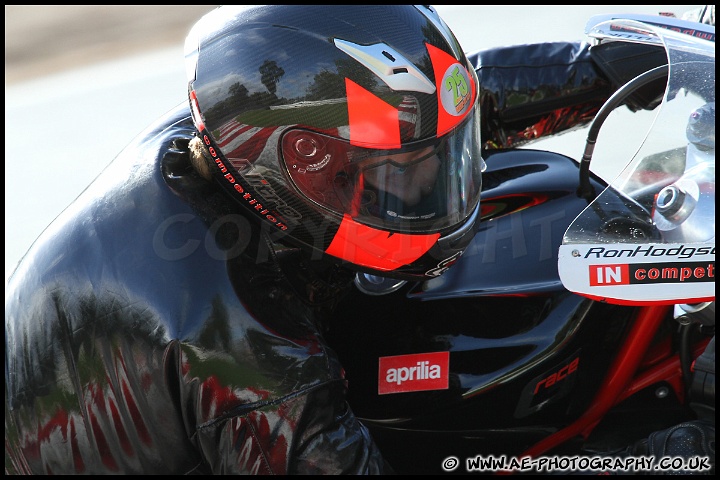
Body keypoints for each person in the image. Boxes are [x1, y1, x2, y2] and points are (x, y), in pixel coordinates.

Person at [4, 5, 714, 475]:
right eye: (398, 181)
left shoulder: (245, 135)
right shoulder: (232, 329)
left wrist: (594, 73)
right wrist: (649, 459)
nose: (434, 193)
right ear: (305, 167)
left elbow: (435, 104)